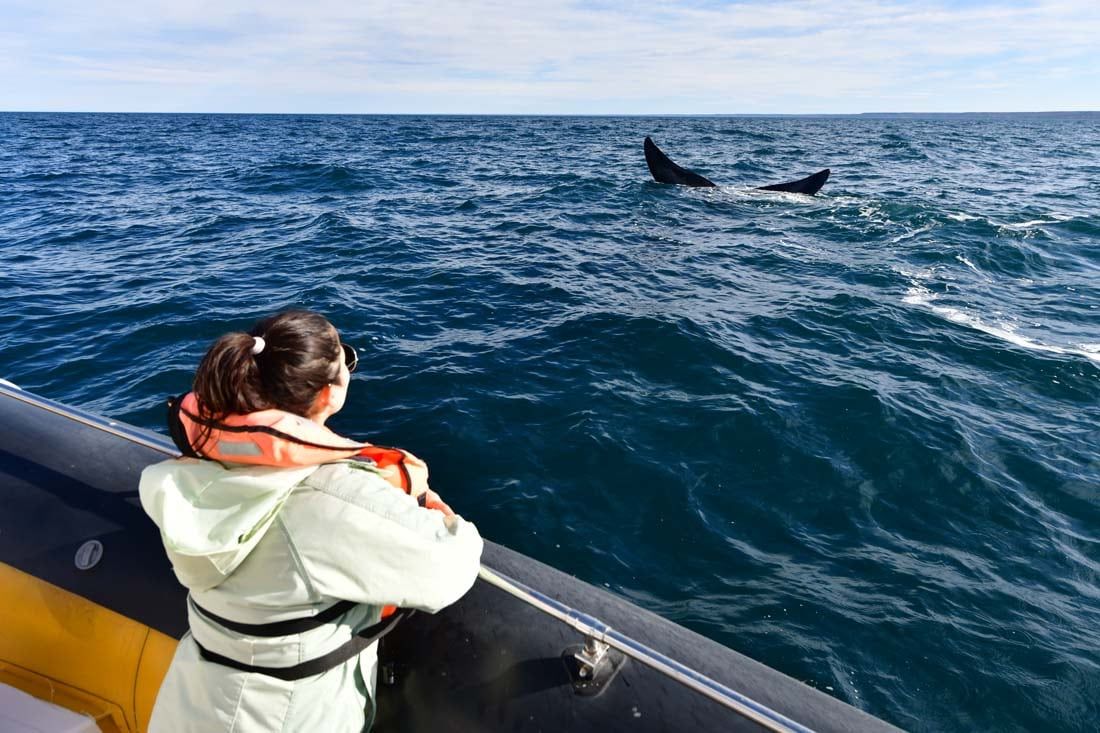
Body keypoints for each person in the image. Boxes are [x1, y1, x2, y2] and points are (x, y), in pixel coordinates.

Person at [139, 310, 483, 732]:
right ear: (328, 394)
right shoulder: (331, 497)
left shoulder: (189, 476)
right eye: (347, 361)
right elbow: (451, 566)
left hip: (192, 707)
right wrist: (432, 505)